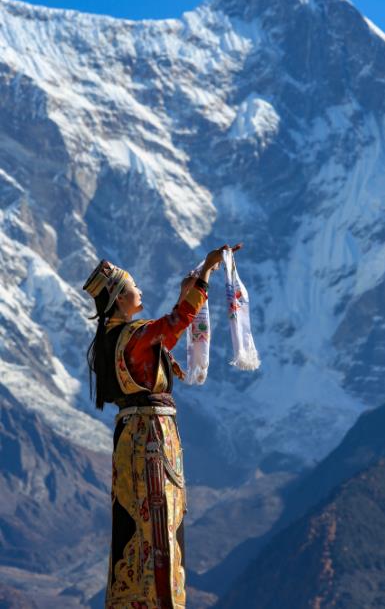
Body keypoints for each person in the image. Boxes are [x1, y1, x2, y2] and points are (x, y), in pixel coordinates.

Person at [82, 244, 241, 609]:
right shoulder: (135, 336)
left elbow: (165, 332)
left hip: (132, 440)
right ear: (121, 299)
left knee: (136, 524)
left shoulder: (112, 340)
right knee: (158, 523)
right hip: (151, 443)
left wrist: (195, 284)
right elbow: (176, 322)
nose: (140, 290)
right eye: (134, 286)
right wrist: (205, 277)